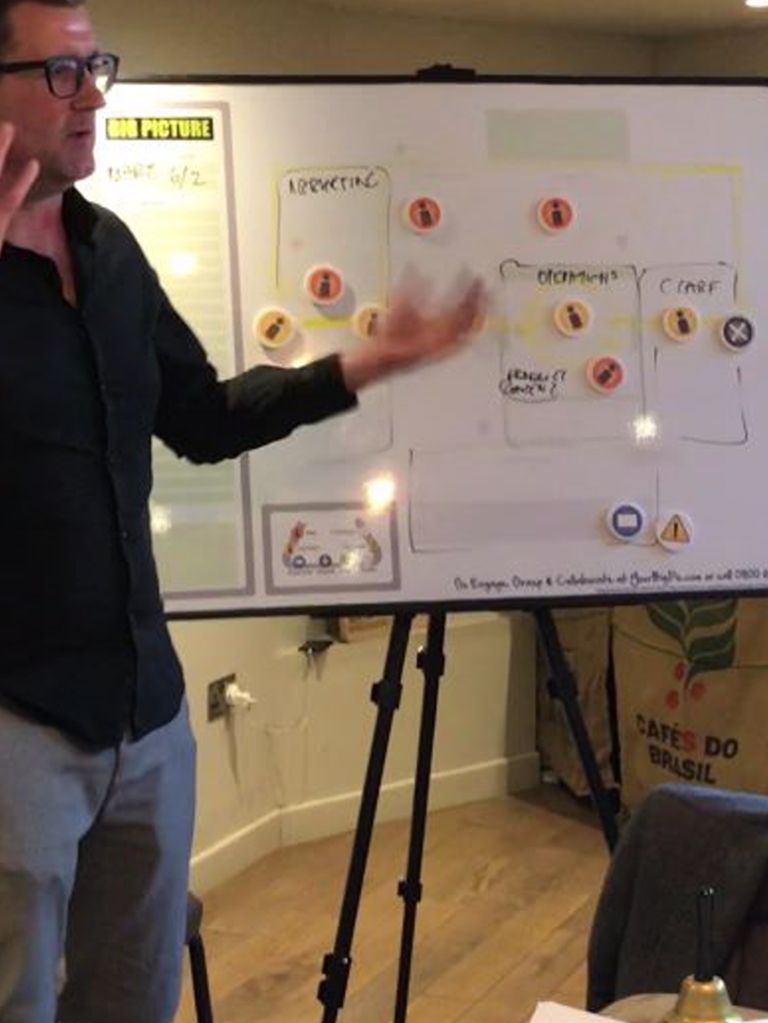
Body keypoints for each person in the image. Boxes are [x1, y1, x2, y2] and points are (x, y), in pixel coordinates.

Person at [0, 1, 485, 1021]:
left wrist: (361, 365)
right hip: (15, 726)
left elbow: (203, 418)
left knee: (133, 998)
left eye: (96, 67)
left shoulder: (111, 251)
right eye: (60, 73)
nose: (94, 98)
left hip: (145, 715)